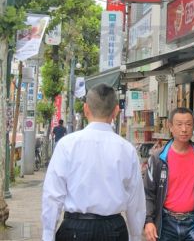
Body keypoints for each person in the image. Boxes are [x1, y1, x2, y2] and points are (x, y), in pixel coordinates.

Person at [42, 83, 146, 241]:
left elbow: (53, 195)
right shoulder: (127, 149)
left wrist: (48, 234)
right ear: (116, 111)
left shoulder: (67, 144)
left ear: (85, 109)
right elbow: (135, 200)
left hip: (75, 228)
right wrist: (135, 235)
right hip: (114, 229)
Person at [144, 107, 194, 241]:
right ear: (170, 126)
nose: (184, 129)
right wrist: (148, 221)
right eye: (179, 124)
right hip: (166, 223)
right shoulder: (158, 158)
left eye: (188, 124)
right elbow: (148, 193)